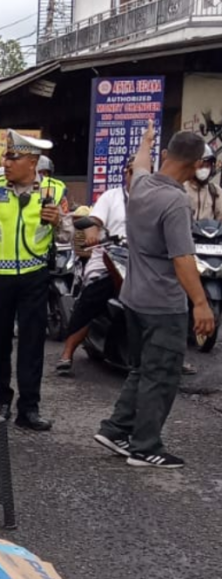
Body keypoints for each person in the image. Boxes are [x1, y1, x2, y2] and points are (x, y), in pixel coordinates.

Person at [94, 122, 216, 469]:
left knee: (142, 369)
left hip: (133, 298)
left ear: (167, 155)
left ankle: (117, 429)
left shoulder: (140, 185)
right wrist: (201, 303)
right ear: (195, 166)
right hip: (163, 304)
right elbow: (182, 259)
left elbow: (142, 162)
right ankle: (145, 446)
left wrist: (146, 140)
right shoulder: (175, 201)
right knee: (161, 374)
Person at [0, 130, 74, 431]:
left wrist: (58, 221)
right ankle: (1, 400)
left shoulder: (54, 191)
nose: (6, 162)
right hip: (0, 278)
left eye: (14, 157)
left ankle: (29, 409)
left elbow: (68, 236)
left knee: (32, 343)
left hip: (35, 276)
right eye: (6, 156)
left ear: (32, 162)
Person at [55, 159, 134, 376]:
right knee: (92, 295)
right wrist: (92, 236)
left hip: (143, 260)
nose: (136, 175)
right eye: (131, 171)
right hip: (110, 254)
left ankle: (174, 355)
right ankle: (68, 352)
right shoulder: (112, 197)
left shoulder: (155, 198)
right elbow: (93, 222)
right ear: (125, 173)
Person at [184, 143, 222, 221]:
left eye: (207, 166)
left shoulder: (215, 191)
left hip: (209, 232)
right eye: (201, 166)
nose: (204, 170)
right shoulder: (181, 189)